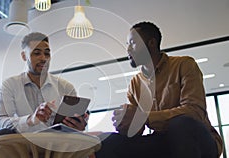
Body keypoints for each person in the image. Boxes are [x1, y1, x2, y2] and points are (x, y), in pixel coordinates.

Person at [95, 22, 223, 158]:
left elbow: (194, 112)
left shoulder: (184, 65)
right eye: (127, 44)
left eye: (132, 43)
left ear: (151, 43)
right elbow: (137, 131)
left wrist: (144, 117)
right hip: (163, 141)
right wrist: (125, 123)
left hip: (199, 140)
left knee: (181, 124)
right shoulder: (135, 83)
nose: (128, 50)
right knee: (109, 142)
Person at [0, 32, 88, 137]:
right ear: (24, 56)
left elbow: (73, 128)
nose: (43, 58)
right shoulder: (9, 86)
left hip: (57, 146)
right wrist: (30, 120)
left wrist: (78, 126)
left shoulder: (66, 88)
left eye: (47, 54)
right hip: (22, 147)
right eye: (36, 53)